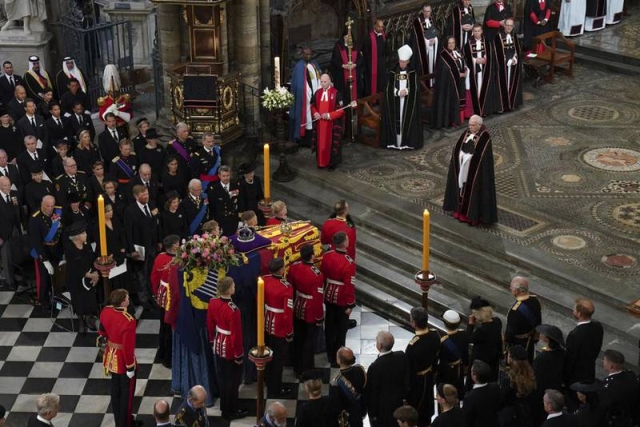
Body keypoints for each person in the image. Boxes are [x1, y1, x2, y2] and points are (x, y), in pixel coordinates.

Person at [442, 115, 498, 225]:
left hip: (474, 173)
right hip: (463, 167)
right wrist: (460, 156)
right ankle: (459, 210)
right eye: (469, 125)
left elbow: (481, 158)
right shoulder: (467, 132)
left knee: (472, 191)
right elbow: (458, 148)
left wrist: (470, 158)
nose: (470, 127)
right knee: (461, 188)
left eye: (472, 125)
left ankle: (472, 215)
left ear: (479, 125)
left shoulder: (485, 138)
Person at [206, 277, 247, 420]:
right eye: (233, 285)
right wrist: (239, 355)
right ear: (229, 289)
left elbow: (210, 324)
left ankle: (225, 408)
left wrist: (212, 340)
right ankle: (231, 410)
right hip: (229, 348)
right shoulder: (233, 310)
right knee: (233, 381)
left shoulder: (213, 302)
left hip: (218, 344)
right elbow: (236, 336)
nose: (234, 287)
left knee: (224, 379)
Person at [98, 289, 138, 427]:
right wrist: (130, 367)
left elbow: (102, 331)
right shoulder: (129, 321)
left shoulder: (106, 310)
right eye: (127, 298)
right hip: (122, 360)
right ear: (122, 302)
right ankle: (124, 423)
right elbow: (128, 348)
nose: (129, 299)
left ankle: (118, 420)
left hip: (111, 356)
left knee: (115, 389)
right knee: (126, 394)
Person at [287, 243, 324, 375]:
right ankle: (306, 368)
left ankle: (297, 365)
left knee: (299, 338)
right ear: (312, 255)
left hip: (298, 305)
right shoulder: (316, 274)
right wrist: (319, 317)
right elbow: (317, 299)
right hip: (310, 310)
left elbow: (290, 288)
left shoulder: (294, 267)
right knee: (309, 341)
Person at [322, 231, 356, 367]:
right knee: (341, 329)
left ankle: (330, 355)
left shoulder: (327, 255)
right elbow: (349, 286)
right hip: (341, 297)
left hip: (329, 293)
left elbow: (323, 275)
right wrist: (350, 304)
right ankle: (340, 357)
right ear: (344, 243)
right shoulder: (349, 263)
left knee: (330, 326)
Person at [381, 45, 423, 150]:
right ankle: (395, 142)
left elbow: (416, 87)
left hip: (407, 101)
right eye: (401, 61)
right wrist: (398, 92)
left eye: (405, 62)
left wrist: (408, 91)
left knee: (407, 119)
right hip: (396, 101)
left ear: (408, 61)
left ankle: (406, 142)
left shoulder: (412, 73)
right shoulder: (392, 72)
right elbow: (387, 88)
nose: (402, 64)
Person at [124, 184, 159, 310]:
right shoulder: (130, 210)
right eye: (143, 195)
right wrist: (132, 250)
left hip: (152, 247)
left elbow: (154, 225)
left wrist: (157, 242)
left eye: (147, 194)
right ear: (136, 196)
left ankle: (151, 296)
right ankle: (143, 299)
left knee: (151, 272)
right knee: (141, 274)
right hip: (140, 248)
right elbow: (128, 231)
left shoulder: (151, 204)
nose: (146, 196)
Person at [263, 258, 294, 397]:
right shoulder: (286, 287)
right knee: (277, 360)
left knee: (268, 355)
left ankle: (268, 381)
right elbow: (287, 313)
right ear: (281, 270)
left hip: (267, 320)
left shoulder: (264, 279)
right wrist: (289, 331)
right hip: (280, 325)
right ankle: (275, 388)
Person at [366, 331, 410, 427]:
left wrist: (372, 413)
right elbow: (407, 379)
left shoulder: (374, 367)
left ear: (380, 346)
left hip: (383, 410)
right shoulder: (401, 355)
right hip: (399, 404)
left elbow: (373, 392)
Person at [405, 306, 441, 426]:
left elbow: (409, 372)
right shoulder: (435, 335)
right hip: (430, 375)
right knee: (428, 402)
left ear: (414, 323)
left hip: (417, 382)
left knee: (418, 407)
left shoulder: (412, 346)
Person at [150, 235, 179, 368]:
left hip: (162, 293)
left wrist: (156, 293)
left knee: (163, 324)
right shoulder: (176, 261)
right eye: (178, 243)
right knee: (169, 326)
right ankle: (168, 358)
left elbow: (154, 277)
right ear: (174, 246)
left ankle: (162, 352)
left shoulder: (159, 257)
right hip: (171, 295)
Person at [65, 221, 99, 333]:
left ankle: (89, 318)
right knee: (79, 301)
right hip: (76, 280)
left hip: (89, 277)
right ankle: (80, 320)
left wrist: (96, 273)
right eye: (83, 234)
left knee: (90, 299)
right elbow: (74, 268)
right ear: (76, 237)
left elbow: (93, 259)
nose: (86, 235)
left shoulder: (87, 245)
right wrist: (91, 275)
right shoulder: (70, 249)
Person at [29, 195, 63, 309]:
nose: (50, 208)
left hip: (56, 249)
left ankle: (56, 298)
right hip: (43, 251)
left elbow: (60, 232)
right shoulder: (35, 218)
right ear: (42, 205)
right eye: (47, 206)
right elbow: (36, 242)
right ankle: (44, 302)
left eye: (52, 206)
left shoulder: (57, 212)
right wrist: (44, 260)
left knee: (57, 276)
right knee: (45, 278)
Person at [563, 298, 604, 387]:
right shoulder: (598, 326)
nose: (573, 310)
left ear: (579, 313)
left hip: (575, 377)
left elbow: (570, 359)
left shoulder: (575, 335)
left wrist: (564, 379)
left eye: (574, 309)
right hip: (590, 370)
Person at [311, 73, 346, 170]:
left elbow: (341, 110)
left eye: (325, 82)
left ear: (329, 81)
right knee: (320, 144)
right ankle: (321, 162)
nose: (323, 84)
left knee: (331, 145)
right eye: (321, 82)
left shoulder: (336, 93)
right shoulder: (317, 93)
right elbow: (312, 105)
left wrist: (329, 115)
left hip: (331, 125)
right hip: (320, 125)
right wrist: (315, 113)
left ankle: (331, 164)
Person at [463, 25, 500, 118]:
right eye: (475, 31)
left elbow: (490, 55)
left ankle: (484, 109)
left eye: (478, 31)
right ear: (473, 32)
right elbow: (466, 58)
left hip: (485, 70)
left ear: (482, 31)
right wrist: (475, 61)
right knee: (475, 89)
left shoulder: (486, 42)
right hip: (474, 71)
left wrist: (485, 59)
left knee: (484, 87)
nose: (477, 33)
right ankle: (475, 110)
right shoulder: (468, 44)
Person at [431, 36, 468, 129]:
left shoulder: (458, 51)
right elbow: (444, 71)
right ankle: (450, 120)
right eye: (449, 43)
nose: (451, 45)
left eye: (453, 43)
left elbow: (463, 62)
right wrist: (457, 75)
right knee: (451, 101)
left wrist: (466, 70)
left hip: (460, 81)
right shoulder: (443, 55)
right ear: (446, 44)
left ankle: (458, 119)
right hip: (449, 85)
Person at [498, 346, 539, 427]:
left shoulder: (509, 380)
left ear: (511, 359)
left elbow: (501, 399)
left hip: (510, 416)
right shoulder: (531, 376)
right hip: (525, 414)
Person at [289, 47, 322, 145]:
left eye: (309, 54)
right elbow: (300, 85)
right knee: (306, 118)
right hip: (305, 98)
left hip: (315, 96)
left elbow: (319, 77)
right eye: (306, 54)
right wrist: (308, 96)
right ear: (302, 54)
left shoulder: (314, 64)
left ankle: (315, 138)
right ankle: (305, 141)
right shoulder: (299, 67)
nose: (308, 56)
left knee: (314, 118)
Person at [504, 276, 542, 363]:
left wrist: (506, 343)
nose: (510, 288)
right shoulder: (535, 300)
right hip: (530, 339)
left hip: (518, 344)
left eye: (511, 287)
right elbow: (538, 321)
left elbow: (509, 334)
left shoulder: (515, 311)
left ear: (517, 290)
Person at [599, 349, 638, 427]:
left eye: (605, 360)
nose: (603, 362)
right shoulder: (631, 375)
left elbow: (604, 407)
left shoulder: (608, 387)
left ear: (611, 366)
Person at [467, 297, 502, 381]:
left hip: (481, 360)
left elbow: (469, 338)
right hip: (493, 358)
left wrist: (470, 324)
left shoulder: (481, 331)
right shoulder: (497, 322)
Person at [330, 347, 367, 427]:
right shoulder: (360, 370)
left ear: (339, 361)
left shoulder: (336, 382)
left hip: (347, 419)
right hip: (359, 413)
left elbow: (336, 407)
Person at [439, 310, 469, 398]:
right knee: (457, 393)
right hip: (460, 369)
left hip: (446, 373)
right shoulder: (463, 334)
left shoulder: (443, 340)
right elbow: (465, 354)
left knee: (446, 394)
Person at [494, 18, 522, 113]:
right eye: (507, 25)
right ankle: (502, 106)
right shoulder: (498, 37)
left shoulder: (514, 36)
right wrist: (506, 60)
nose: (509, 27)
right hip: (502, 67)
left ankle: (511, 103)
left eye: (511, 25)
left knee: (511, 84)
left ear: (513, 26)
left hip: (513, 65)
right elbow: (497, 53)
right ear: (504, 25)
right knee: (503, 85)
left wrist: (515, 58)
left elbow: (516, 50)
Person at [462, 360, 501, 427]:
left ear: (474, 376)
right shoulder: (495, 387)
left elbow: (466, 420)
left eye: (471, 371)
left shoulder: (469, 397)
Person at [98, 64, 132, 137]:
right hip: (110, 128)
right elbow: (101, 116)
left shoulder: (124, 99)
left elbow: (130, 114)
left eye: (115, 92)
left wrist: (119, 113)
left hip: (122, 127)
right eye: (111, 92)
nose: (113, 93)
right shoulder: (104, 101)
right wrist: (110, 110)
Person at [0, 176, 21, 288]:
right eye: (5, 185)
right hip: (3, 233)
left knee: (16, 254)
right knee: (6, 258)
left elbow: (20, 210)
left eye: (9, 184)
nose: (8, 187)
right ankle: (9, 281)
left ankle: (17, 275)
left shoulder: (14, 194)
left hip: (16, 230)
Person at [410, 4, 439, 84]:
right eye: (425, 11)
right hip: (423, 50)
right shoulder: (417, 22)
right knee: (425, 66)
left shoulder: (432, 19)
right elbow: (416, 39)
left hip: (432, 48)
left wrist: (435, 40)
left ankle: (432, 82)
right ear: (422, 11)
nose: (427, 13)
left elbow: (436, 32)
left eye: (428, 11)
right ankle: (426, 84)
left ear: (431, 11)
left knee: (432, 65)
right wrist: (427, 42)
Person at [207, 165, 239, 236]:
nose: (226, 178)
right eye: (223, 176)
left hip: (233, 220)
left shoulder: (235, 185)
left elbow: (240, 202)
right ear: (219, 176)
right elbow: (212, 207)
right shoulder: (214, 189)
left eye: (227, 175)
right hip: (220, 221)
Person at [330, 30, 358, 110]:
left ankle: (354, 109)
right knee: (345, 96)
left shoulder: (355, 45)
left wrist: (355, 65)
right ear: (343, 37)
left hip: (354, 73)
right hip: (342, 76)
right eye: (346, 37)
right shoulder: (338, 46)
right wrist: (343, 66)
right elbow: (334, 60)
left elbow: (360, 59)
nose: (347, 39)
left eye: (349, 37)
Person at [359, 18, 387, 98]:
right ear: (374, 26)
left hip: (381, 64)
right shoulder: (368, 37)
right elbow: (365, 53)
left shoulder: (383, 36)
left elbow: (385, 50)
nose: (381, 29)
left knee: (381, 82)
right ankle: (373, 100)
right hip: (371, 65)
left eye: (382, 27)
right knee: (372, 83)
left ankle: (381, 99)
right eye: (379, 27)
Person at [533, 324, 564, 394]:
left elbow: (536, 377)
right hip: (556, 388)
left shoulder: (541, 358)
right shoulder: (562, 353)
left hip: (543, 390)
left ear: (547, 339)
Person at [236, 161, 265, 226]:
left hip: (258, 207)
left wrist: (263, 205)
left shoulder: (257, 179)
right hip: (247, 209)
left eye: (253, 172)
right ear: (245, 174)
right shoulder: (240, 183)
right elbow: (241, 200)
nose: (252, 174)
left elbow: (260, 194)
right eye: (250, 173)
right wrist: (242, 214)